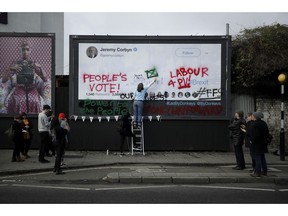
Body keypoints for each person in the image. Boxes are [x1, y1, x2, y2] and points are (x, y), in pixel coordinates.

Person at [1, 41, 51, 114]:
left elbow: (45, 79)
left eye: (27, 49)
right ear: (20, 51)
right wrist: (11, 68)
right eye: (23, 49)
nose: (25, 52)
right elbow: (3, 79)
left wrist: (40, 67)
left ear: (30, 51)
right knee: (16, 99)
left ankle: (35, 118)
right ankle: (18, 118)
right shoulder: (15, 63)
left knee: (35, 100)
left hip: (32, 88)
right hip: (18, 88)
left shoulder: (33, 63)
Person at [248, 112, 269, 178]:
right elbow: (267, 133)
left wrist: (252, 141)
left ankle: (257, 172)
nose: (252, 116)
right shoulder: (264, 123)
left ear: (255, 117)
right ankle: (264, 171)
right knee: (262, 157)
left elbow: (255, 135)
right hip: (263, 143)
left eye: (253, 116)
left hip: (257, 144)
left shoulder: (254, 124)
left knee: (257, 158)